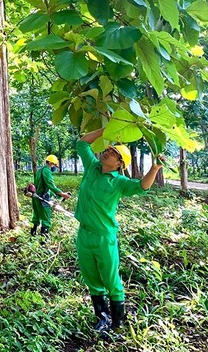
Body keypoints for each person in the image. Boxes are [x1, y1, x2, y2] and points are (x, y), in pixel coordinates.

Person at [74, 127, 163, 335]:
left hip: (104, 236)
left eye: (114, 154)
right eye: (109, 149)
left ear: (119, 164)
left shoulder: (120, 183)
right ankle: (102, 318)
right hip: (84, 234)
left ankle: (118, 321)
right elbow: (81, 143)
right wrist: (106, 129)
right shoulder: (92, 167)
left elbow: (142, 186)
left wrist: (155, 168)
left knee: (110, 278)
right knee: (91, 277)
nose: (108, 152)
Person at [30, 154, 71, 238]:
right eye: (55, 165)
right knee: (46, 219)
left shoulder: (39, 170)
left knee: (36, 217)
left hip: (35, 196)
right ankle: (44, 241)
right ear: (52, 163)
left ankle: (32, 235)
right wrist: (62, 194)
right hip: (42, 198)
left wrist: (59, 195)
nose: (55, 167)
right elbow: (50, 185)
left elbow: (45, 187)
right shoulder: (47, 171)